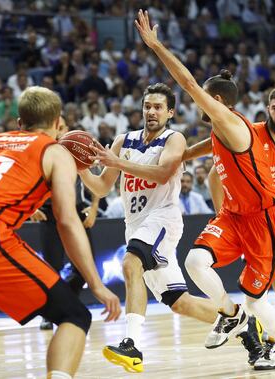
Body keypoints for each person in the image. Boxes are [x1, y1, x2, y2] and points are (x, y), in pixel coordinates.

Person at [136, 10, 275, 370]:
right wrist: (185, 154)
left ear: (217, 100)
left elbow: (187, 83)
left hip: (263, 217)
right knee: (195, 261)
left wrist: (156, 46)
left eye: (205, 96)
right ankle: (229, 314)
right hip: (235, 215)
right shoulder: (224, 127)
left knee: (255, 297)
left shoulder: (229, 120)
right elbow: (211, 143)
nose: (197, 98)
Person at [0, 87, 121, 379]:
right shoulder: (54, 151)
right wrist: (96, 284)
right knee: (74, 315)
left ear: (19, 122)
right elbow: (66, 220)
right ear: (57, 123)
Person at [79, 83, 224, 373]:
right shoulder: (124, 141)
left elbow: (163, 174)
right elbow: (103, 187)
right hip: (135, 226)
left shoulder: (174, 139)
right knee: (181, 303)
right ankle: (244, 322)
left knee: (131, 263)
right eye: (147, 106)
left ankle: (131, 344)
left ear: (170, 112)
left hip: (162, 219)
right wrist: (80, 167)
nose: (151, 111)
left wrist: (117, 161)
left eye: (158, 107)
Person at [185, 87, 275, 353]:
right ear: (268, 109)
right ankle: (273, 326)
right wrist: (222, 211)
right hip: (239, 215)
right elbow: (214, 171)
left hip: (266, 215)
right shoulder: (252, 132)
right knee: (263, 280)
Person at [30, 119, 100, 330]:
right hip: (49, 213)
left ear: (68, 130)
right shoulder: (43, 151)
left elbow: (97, 179)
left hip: (75, 210)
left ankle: (57, 307)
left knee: (83, 269)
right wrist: (32, 208)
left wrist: (94, 206)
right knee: (52, 267)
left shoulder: (77, 148)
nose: (59, 131)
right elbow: (29, 180)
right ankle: (49, 313)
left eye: (63, 127)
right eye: (56, 127)